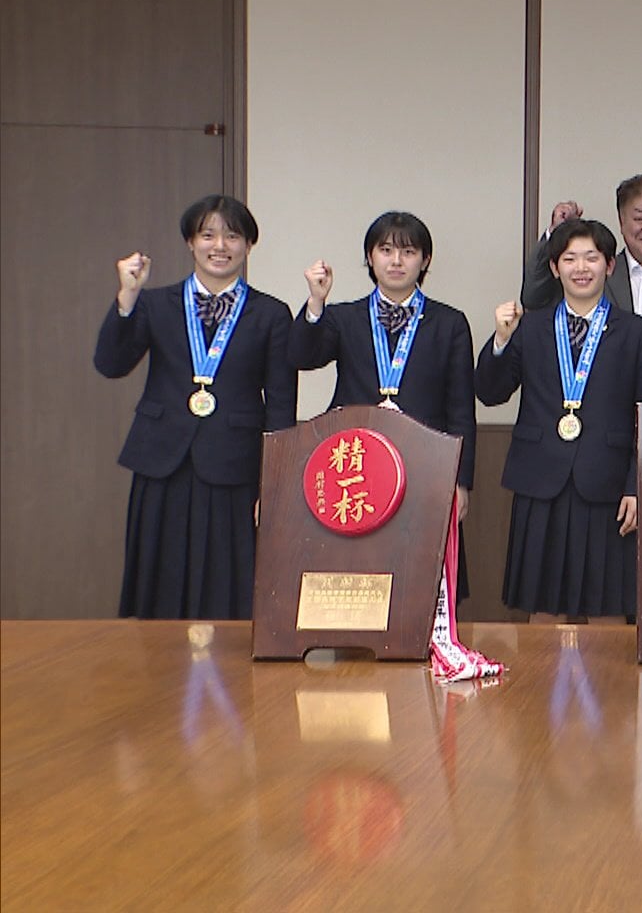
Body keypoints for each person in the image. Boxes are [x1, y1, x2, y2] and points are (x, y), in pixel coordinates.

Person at [94, 194, 296, 619]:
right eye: (208, 235)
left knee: (230, 580)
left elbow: (281, 404)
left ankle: (227, 681)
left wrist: (273, 484)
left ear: (248, 246)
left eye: (232, 235)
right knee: (159, 576)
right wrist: (127, 297)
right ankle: (157, 675)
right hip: (161, 460)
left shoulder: (271, 314)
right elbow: (110, 364)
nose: (219, 245)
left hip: (236, 466)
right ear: (190, 242)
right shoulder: (154, 303)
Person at [479, 218, 642, 622]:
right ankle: (539, 686)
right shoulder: (530, 327)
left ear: (610, 266)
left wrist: (638, 486)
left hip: (609, 483)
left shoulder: (637, 334)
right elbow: (490, 393)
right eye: (570, 258)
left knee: (608, 607)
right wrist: (500, 340)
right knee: (541, 605)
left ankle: (610, 688)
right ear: (554, 268)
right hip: (540, 478)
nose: (581, 268)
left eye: (591, 258)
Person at [290, 210, 478, 598]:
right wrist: (315, 302)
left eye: (408, 251)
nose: (396, 261)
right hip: (355, 464)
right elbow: (302, 356)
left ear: (425, 260)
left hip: (425, 465)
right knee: (356, 565)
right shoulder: (343, 317)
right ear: (370, 258)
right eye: (386, 250)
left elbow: (461, 408)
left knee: (418, 573)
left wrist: (461, 481)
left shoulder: (449, 323)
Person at [522, 174, 642, 413]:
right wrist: (556, 234)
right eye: (639, 218)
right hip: (596, 424)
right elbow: (533, 297)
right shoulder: (592, 275)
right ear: (621, 221)